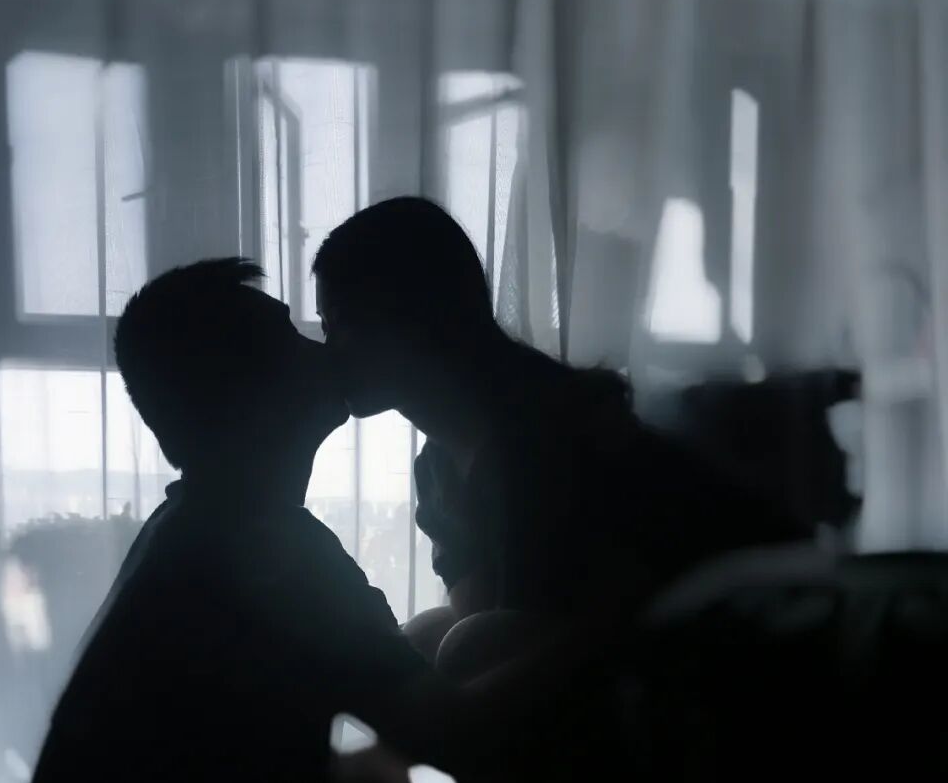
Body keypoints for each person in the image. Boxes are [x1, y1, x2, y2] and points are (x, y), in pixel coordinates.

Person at [10, 259, 458, 783]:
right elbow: (451, 732)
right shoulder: (271, 550)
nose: (323, 347)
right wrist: (609, 631)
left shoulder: (198, 522)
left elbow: (380, 671)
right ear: (247, 393)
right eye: (287, 339)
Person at [314, 197, 811, 673]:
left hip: (749, 601)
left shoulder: (536, 432)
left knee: (461, 649)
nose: (328, 349)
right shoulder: (438, 467)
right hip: (609, 622)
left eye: (342, 322)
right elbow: (487, 612)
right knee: (425, 639)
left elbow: (534, 621)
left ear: (412, 313)